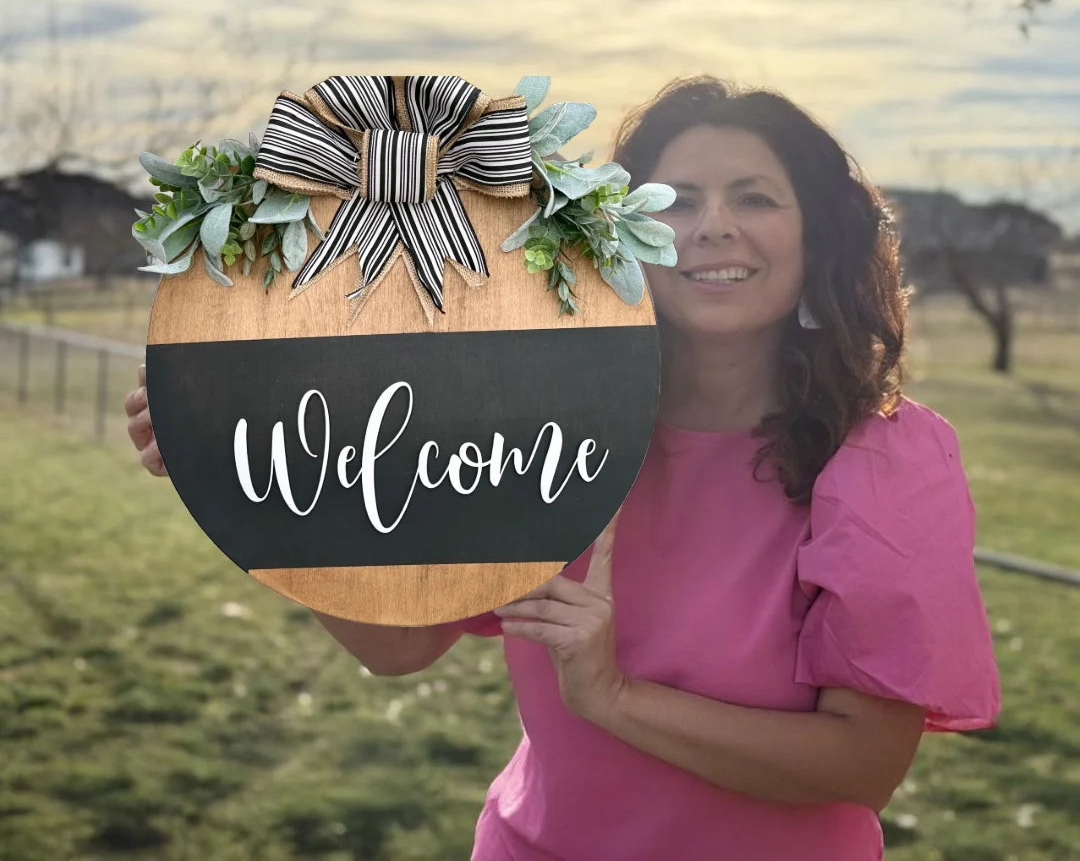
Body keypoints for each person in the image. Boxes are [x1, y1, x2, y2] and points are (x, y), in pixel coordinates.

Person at [124, 75, 1002, 860]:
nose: (713, 227)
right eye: (677, 199)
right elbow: (399, 644)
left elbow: (864, 763)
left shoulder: (885, 457)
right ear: (619, 235)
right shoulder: (546, 428)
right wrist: (245, 481)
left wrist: (614, 697)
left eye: (756, 198)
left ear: (818, 236)